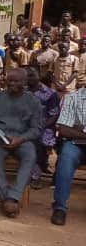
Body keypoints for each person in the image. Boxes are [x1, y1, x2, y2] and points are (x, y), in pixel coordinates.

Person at [0, 69, 42, 218]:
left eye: (16, 81)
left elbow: (36, 128)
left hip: (22, 139)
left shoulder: (33, 101)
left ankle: (13, 196)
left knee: (30, 155)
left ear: (25, 82)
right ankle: (6, 199)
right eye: (10, 80)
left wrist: (21, 139)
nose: (12, 84)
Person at [51, 84, 86, 225]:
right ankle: (60, 208)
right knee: (66, 158)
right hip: (75, 144)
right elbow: (64, 130)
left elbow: (70, 128)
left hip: (77, 138)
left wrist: (80, 129)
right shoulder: (73, 98)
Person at [26, 67, 60, 184]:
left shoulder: (50, 94)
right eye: (27, 76)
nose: (29, 78)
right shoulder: (21, 92)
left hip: (44, 127)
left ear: (39, 75)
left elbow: (54, 115)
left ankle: (35, 175)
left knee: (37, 140)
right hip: (23, 127)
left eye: (32, 75)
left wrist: (39, 127)